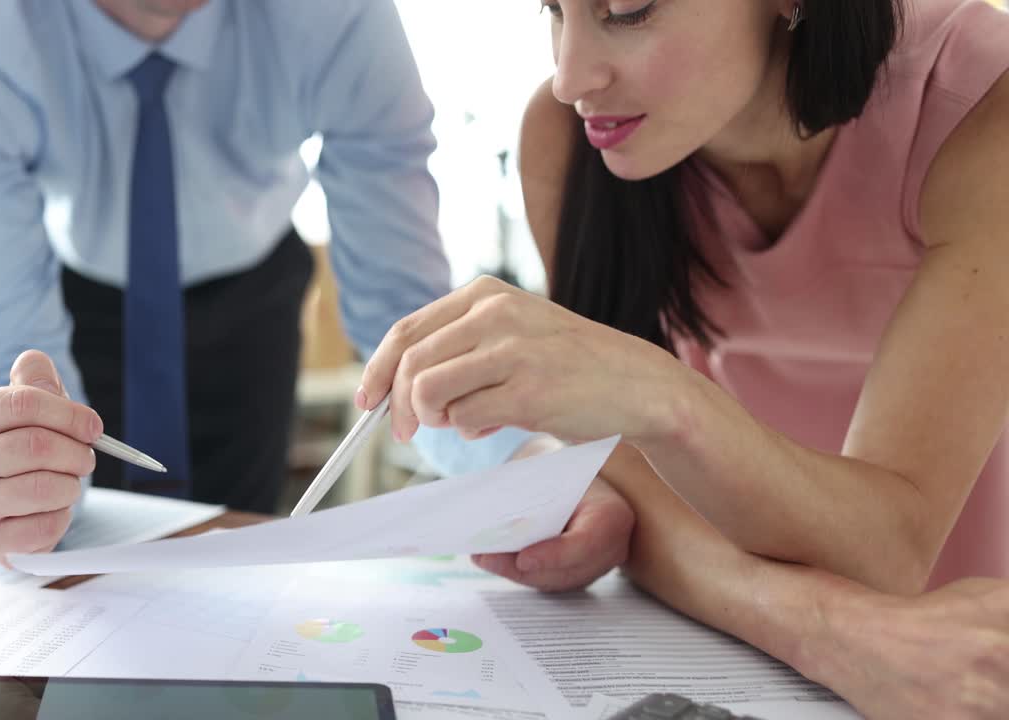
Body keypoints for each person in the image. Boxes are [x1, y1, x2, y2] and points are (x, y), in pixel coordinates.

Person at [355, 0, 1009, 715]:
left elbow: (887, 551)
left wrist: (654, 397)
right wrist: (832, 630)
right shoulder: (571, 140)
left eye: (627, 11)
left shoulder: (982, 109)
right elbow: (639, 488)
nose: (570, 78)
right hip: (768, 657)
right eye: (553, 10)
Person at [0, 0, 541, 561]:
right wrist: (15, 482)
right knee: (57, 538)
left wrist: (527, 476)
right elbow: (0, 330)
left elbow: (408, 317)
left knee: (238, 566)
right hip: (71, 307)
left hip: (252, 302)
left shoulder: (339, 14)